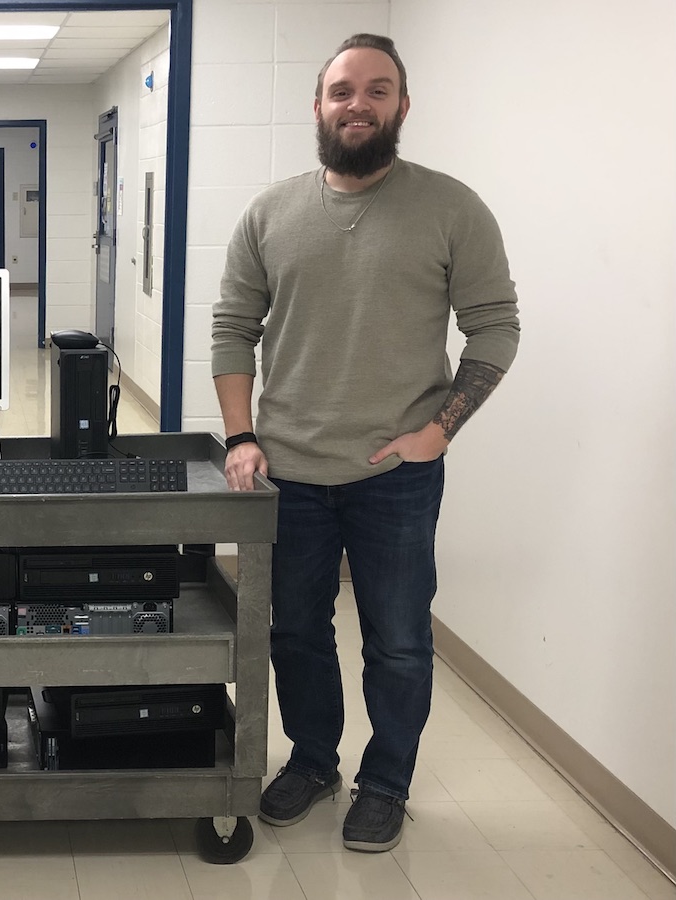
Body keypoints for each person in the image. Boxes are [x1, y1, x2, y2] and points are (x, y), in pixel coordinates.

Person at [211, 33, 520, 852]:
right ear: (318, 105)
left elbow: (495, 329)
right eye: (342, 90)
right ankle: (313, 761)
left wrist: (437, 432)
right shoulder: (270, 213)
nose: (359, 104)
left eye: (377, 90)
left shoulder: (451, 208)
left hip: (396, 478)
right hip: (289, 471)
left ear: (402, 107)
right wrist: (240, 435)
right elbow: (232, 327)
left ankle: (386, 781)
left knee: (400, 639)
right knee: (295, 632)